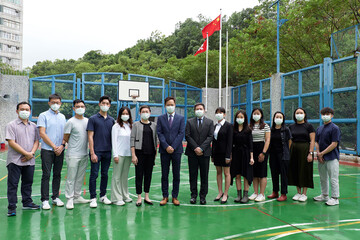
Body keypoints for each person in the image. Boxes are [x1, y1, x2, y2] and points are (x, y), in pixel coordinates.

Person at [5, 102, 40, 216]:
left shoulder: (34, 126)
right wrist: (26, 153)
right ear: (17, 111)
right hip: (15, 160)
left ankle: (27, 202)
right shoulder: (11, 125)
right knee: (13, 184)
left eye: (27, 109)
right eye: (22, 109)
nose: (25, 111)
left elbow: (36, 141)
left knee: (27, 183)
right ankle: (12, 207)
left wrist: (32, 153)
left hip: (30, 160)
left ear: (30, 111)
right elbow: (11, 142)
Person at [37, 93, 66, 210]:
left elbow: (66, 133)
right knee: (46, 174)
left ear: (61, 103)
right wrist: (54, 146)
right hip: (47, 150)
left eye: (57, 102)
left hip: (60, 150)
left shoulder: (63, 117)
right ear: (49, 103)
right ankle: (44, 199)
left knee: (57, 174)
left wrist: (62, 146)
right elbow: (42, 133)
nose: (55, 104)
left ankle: (55, 197)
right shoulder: (43, 115)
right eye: (53, 102)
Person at [87, 95, 115, 208]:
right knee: (94, 174)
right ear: (99, 104)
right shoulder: (93, 119)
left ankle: (103, 196)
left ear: (109, 105)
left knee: (105, 174)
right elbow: (90, 136)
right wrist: (92, 152)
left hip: (107, 152)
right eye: (103, 103)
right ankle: (93, 197)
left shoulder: (112, 120)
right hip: (96, 152)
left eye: (107, 104)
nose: (105, 105)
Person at [63, 99, 91, 210]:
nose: (80, 108)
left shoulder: (88, 121)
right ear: (74, 108)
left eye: (82, 106)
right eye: (78, 106)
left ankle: (77, 196)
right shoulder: (70, 122)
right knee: (71, 177)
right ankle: (69, 198)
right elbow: (66, 137)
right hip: (73, 154)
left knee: (80, 177)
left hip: (84, 154)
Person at [157, 96, 185, 206]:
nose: (170, 106)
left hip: (177, 150)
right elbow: (160, 133)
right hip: (164, 151)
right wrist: (166, 146)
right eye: (168, 105)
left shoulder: (181, 118)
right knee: (164, 174)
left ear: (175, 105)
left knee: (176, 174)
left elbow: (181, 133)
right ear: (165, 106)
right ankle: (165, 196)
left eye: (172, 104)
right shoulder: (161, 118)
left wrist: (173, 146)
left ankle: (175, 196)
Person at [185, 103, 214, 205]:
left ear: (204, 110)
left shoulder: (210, 122)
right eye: (197, 109)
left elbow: (210, 136)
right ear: (194, 110)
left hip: (204, 153)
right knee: (193, 175)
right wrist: (195, 148)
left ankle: (203, 196)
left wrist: (201, 148)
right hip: (192, 153)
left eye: (201, 109)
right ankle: (193, 195)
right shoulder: (189, 122)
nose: (199, 110)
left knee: (204, 175)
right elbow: (187, 136)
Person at [131, 105, 158, 206]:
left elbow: (156, 139)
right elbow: (132, 140)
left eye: (147, 111)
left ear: (150, 113)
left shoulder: (154, 125)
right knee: (139, 175)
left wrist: (155, 154)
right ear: (139, 113)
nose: (145, 113)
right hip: (139, 153)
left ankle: (147, 196)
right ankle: (139, 197)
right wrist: (133, 155)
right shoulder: (136, 125)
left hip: (150, 154)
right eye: (143, 111)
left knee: (148, 175)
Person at [314, 107, 341, 206]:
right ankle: (324, 195)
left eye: (327, 114)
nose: (325, 116)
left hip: (332, 157)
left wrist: (322, 153)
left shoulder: (335, 128)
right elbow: (316, 141)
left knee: (333, 178)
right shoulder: (319, 128)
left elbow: (334, 144)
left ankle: (335, 198)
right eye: (323, 114)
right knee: (323, 177)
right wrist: (318, 153)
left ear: (332, 115)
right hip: (321, 158)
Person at [288, 107, 315, 202]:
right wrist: (288, 151)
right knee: (295, 169)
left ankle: (304, 193)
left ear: (304, 114)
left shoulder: (309, 126)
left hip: (305, 149)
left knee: (305, 170)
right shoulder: (291, 126)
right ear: (294, 115)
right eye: (297, 113)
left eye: (301, 112)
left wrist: (310, 153)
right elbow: (290, 140)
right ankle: (298, 192)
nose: (299, 114)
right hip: (294, 150)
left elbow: (312, 140)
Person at [230, 109, 254, 204]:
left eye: (241, 117)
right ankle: (238, 195)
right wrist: (230, 155)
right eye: (238, 117)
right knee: (237, 175)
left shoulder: (248, 130)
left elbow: (250, 144)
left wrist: (251, 157)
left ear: (245, 118)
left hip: (246, 154)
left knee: (246, 175)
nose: (239, 119)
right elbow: (231, 143)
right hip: (236, 154)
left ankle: (245, 195)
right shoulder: (233, 129)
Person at [111, 106, 133, 206]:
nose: (125, 115)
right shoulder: (116, 126)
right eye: (123, 114)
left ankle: (125, 195)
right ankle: (116, 198)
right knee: (117, 177)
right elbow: (114, 141)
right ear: (120, 115)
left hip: (128, 154)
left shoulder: (130, 125)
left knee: (124, 176)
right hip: (119, 154)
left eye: (127, 114)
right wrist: (115, 155)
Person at [268, 111, 292, 202]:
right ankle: (275, 191)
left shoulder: (286, 129)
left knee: (283, 174)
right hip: (273, 154)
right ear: (274, 119)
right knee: (274, 173)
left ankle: (283, 193)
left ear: (283, 119)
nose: (278, 119)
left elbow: (289, 142)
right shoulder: (271, 129)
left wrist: (286, 152)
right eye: (276, 117)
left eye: (280, 117)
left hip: (283, 155)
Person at [248, 108, 270, 202]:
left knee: (262, 173)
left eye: (258, 113)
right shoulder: (249, 126)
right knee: (254, 173)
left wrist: (263, 153)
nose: (256, 115)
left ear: (261, 115)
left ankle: (262, 194)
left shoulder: (265, 126)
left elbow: (268, 140)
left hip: (262, 149)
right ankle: (255, 192)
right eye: (254, 113)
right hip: (252, 149)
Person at [212, 107, 233, 204]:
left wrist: (228, 155)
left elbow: (230, 142)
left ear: (224, 114)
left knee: (226, 173)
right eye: (217, 113)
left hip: (225, 154)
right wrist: (212, 154)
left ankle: (225, 193)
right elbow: (214, 141)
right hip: (216, 153)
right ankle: (220, 192)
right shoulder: (215, 126)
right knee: (218, 172)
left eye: (221, 112)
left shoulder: (229, 126)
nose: (218, 114)